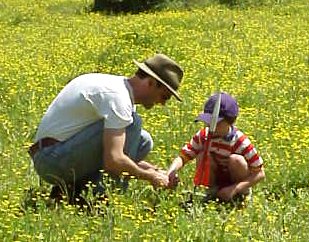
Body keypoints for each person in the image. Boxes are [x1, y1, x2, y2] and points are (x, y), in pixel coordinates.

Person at [28, 53, 184, 203]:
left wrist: (155, 172)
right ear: (150, 83)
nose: (163, 103)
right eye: (164, 96)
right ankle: (100, 201)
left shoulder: (117, 89)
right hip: (51, 159)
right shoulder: (118, 98)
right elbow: (114, 160)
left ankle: (71, 192)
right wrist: (150, 177)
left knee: (144, 140)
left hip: (54, 154)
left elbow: (115, 154)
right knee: (133, 125)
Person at [166, 92, 265, 202]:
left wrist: (235, 188)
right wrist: (171, 172)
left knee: (236, 160)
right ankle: (211, 191)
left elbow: (259, 173)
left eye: (216, 124)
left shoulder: (240, 142)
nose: (211, 127)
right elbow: (184, 156)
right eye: (208, 122)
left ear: (230, 121)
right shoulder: (204, 135)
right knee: (202, 155)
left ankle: (241, 195)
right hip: (217, 178)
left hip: (236, 183)